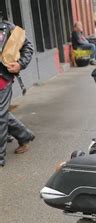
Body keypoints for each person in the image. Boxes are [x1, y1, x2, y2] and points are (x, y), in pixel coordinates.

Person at [0, 13, 35, 167]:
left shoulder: (8, 28)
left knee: (0, 115)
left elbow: (28, 46)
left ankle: (0, 157)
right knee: (2, 113)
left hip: (2, 78)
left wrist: (20, 64)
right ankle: (24, 135)